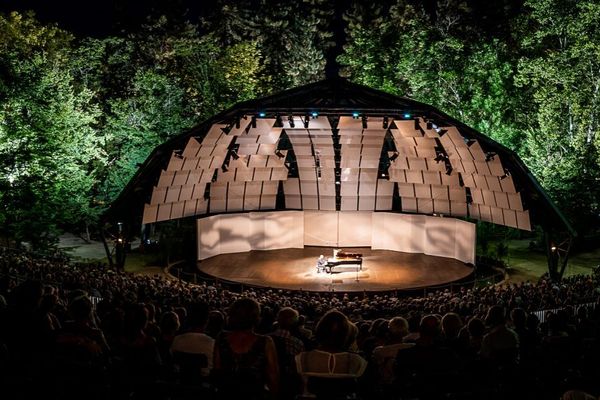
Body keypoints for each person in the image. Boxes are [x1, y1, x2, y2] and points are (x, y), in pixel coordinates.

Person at [213, 298, 279, 400]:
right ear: (256, 318)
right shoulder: (266, 342)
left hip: (226, 393)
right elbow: (273, 377)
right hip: (254, 394)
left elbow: (217, 371)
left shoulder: (221, 337)